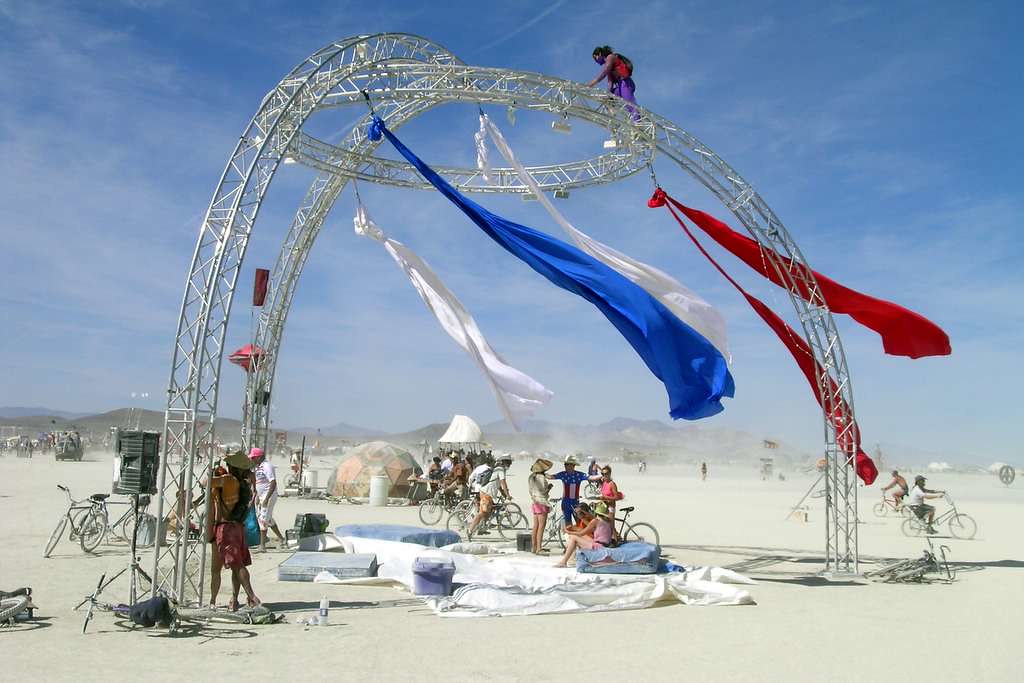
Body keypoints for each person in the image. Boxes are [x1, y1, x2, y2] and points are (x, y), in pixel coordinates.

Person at [209, 451, 260, 610]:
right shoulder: (244, 484)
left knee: (232, 566)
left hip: (225, 528)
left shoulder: (228, 480)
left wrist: (214, 471)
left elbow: (206, 482)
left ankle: (252, 597)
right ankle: (234, 599)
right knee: (236, 565)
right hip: (238, 527)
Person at [554, 501, 614, 568]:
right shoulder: (609, 520)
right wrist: (583, 512)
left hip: (599, 546)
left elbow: (581, 533)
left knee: (573, 537)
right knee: (574, 537)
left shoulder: (595, 521)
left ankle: (564, 562)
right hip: (604, 544)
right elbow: (592, 518)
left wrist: (567, 531)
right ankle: (568, 560)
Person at [249, 447, 285, 551]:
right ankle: (281, 538)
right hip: (261, 496)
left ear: (259, 457)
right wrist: (257, 497)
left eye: (253, 458)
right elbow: (258, 483)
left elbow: (273, 482)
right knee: (268, 519)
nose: (252, 460)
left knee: (263, 520)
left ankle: (262, 546)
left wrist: (266, 498)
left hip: (268, 496)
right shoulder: (258, 467)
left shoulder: (267, 466)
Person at [586, 45, 638, 116]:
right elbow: (610, 83)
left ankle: (637, 120)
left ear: (600, 54)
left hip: (625, 83)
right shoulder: (609, 69)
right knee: (609, 97)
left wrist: (591, 84)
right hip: (620, 86)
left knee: (630, 105)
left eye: (595, 58)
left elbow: (604, 73)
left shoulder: (610, 57)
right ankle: (612, 113)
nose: (596, 61)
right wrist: (608, 96)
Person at [468, 455, 513, 537]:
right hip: (486, 493)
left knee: (488, 512)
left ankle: (482, 528)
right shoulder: (500, 470)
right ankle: (470, 529)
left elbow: (497, 484)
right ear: (506, 462)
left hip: (488, 493)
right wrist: (508, 495)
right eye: (509, 463)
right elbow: (503, 483)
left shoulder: (498, 469)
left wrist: (503, 493)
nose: (510, 465)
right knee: (482, 513)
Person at [548, 455, 590, 526]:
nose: (565, 465)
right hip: (565, 503)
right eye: (565, 464)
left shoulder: (579, 475)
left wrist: (602, 476)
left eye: (567, 464)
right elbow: (551, 477)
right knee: (568, 523)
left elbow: (590, 477)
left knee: (579, 523)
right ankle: (570, 533)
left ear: (573, 465)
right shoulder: (563, 474)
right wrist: (541, 473)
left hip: (575, 503)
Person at [528, 458, 554, 554]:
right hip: (542, 502)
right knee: (541, 526)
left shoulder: (531, 477)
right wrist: (549, 488)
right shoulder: (541, 478)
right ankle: (539, 548)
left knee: (535, 526)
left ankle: (534, 547)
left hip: (534, 501)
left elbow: (531, 490)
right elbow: (543, 491)